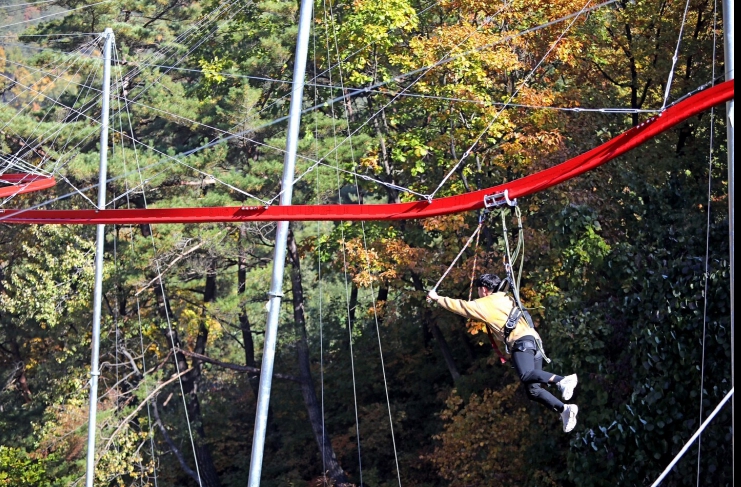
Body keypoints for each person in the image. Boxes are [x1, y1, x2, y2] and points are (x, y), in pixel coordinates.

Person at [427, 273, 579, 433]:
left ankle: (562, 381)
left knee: (526, 375)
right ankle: (565, 409)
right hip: (534, 342)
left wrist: (436, 297)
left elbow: (460, 306)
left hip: (521, 342)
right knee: (533, 390)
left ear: (484, 290)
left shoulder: (485, 304)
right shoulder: (505, 297)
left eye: (479, 289)